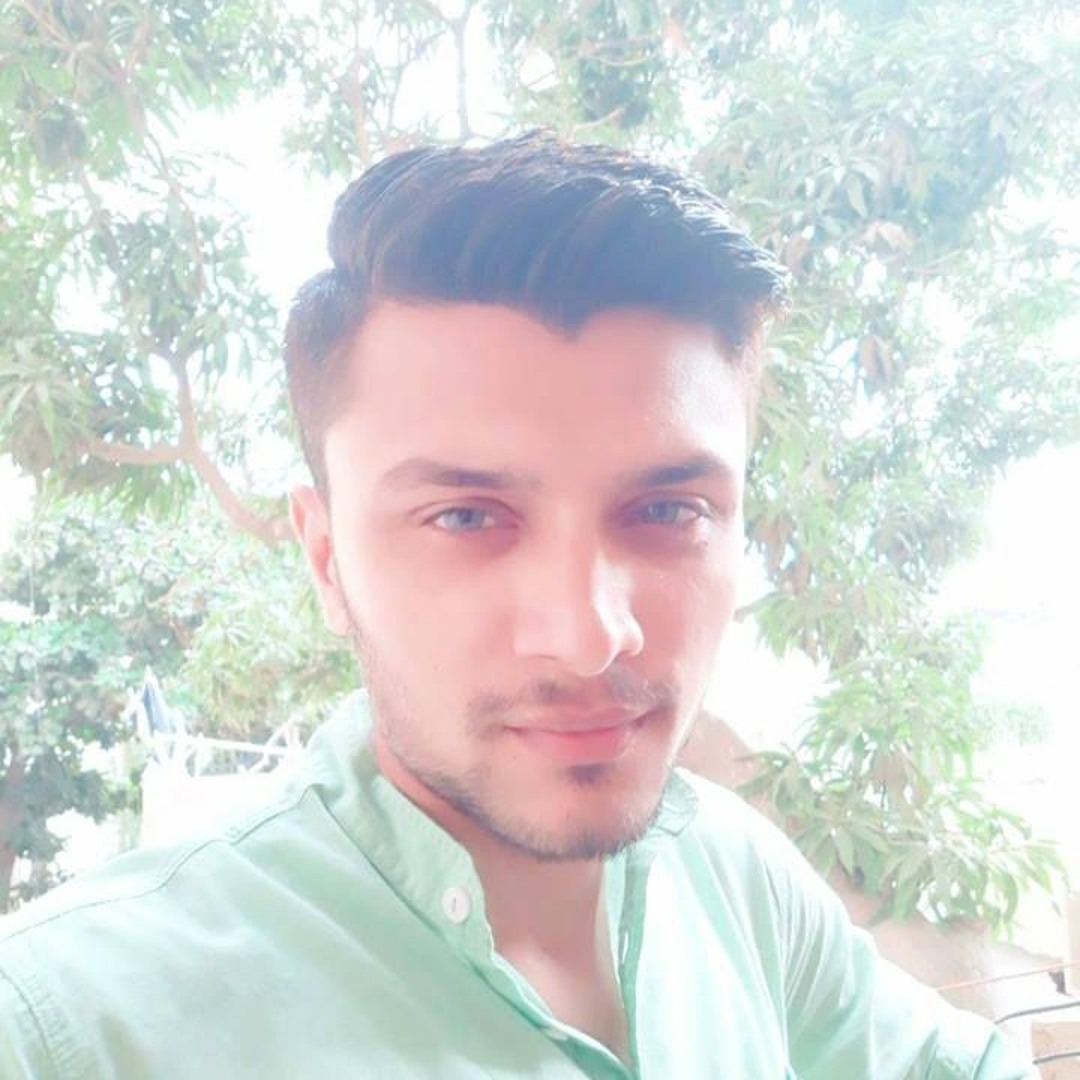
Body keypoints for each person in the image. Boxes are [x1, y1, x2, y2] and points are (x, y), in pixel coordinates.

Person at [0, 133, 1036, 1079]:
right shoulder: (68, 1026)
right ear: (327, 559)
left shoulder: (735, 880)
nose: (590, 637)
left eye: (668, 510)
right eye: (465, 518)